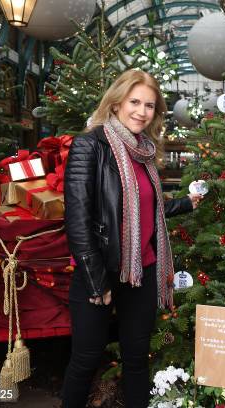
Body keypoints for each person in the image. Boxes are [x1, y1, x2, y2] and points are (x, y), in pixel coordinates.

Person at [62, 69, 202, 408]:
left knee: (137, 360)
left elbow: (143, 209)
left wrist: (186, 203)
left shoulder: (144, 152)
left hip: (143, 271)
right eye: (134, 102)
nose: (141, 111)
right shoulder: (89, 145)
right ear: (115, 103)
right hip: (100, 274)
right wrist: (98, 283)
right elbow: (78, 223)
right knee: (86, 359)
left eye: (149, 105)